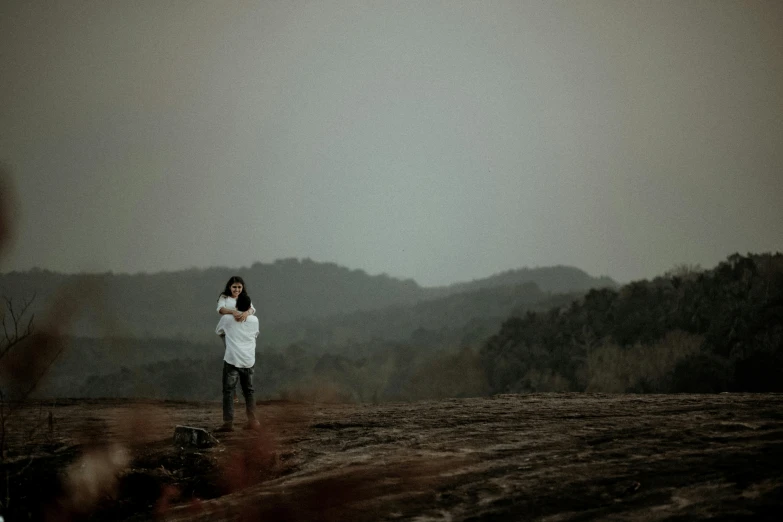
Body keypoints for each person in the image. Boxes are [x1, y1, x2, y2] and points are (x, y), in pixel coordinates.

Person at [215, 292, 261, 432]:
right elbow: (255, 334)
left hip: (232, 359)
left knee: (228, 391)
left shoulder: (227, 319)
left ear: (236, 305)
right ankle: (253, 421)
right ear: (249, 307)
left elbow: (219, 332)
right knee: (249, 391)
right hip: (248, 359)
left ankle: (228, 423)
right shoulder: (255, 320)